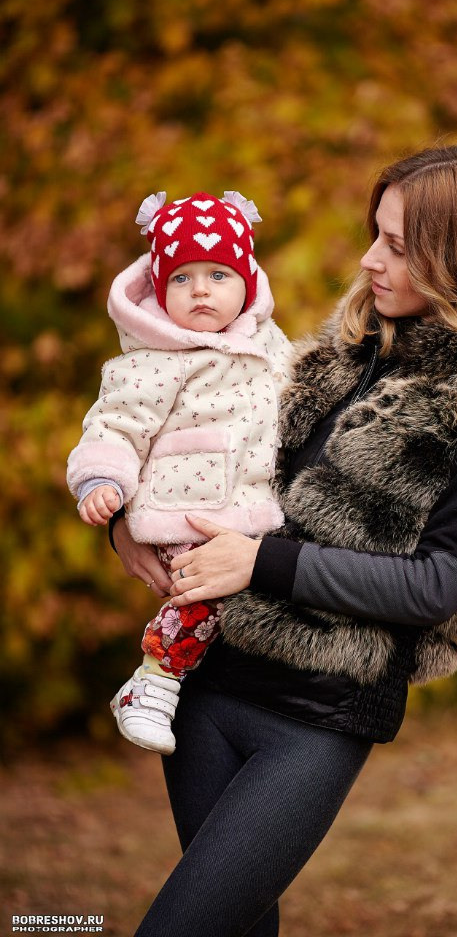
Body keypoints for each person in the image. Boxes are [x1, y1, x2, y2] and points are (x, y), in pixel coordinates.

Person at [109, 144, 457, 937]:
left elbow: (436, 586)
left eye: (398, 246)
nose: (370, 259)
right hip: (206, 682)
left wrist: (258, 561)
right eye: (376, 233)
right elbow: (204, 455)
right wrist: (127, 526)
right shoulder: (343, 355)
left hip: (312, 719)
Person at [66, 189, 292, 754]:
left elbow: (300, 397)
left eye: (218, 275)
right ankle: (152, 682)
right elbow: (115, 427)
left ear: (247, 280)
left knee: (257, 600)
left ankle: (210, 696)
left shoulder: (268, 344)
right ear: (160, 289)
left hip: (252, 510)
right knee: (205, 596)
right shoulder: (151, 361)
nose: (201, 292)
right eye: (183, 279)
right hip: (184, 510)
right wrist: (104, 483)